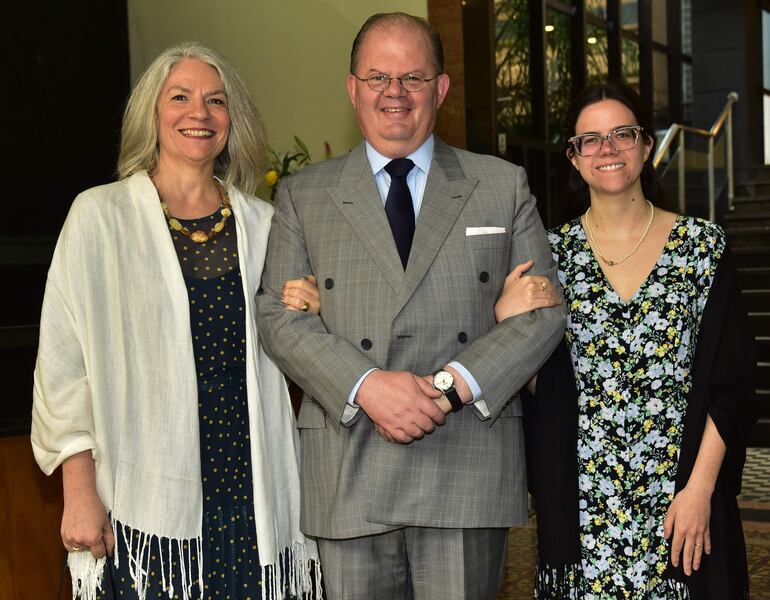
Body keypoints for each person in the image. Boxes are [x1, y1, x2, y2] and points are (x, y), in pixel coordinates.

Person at [255, 12, 566, 600]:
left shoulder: (500, 185)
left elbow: (543, 313)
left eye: (413, 78)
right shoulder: (304, 195)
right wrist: (368, 385)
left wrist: (449, 387)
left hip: (465, 458)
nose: (394, 93)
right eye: (377, 77)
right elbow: (277, 317)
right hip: (351, 464)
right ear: (352, 89)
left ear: (441, 89)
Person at [31, 43, 321, 600]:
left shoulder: (267, 224)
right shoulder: (100, 216)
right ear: (152, 113)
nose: (200, 113)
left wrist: (312, 307)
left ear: (232, 121)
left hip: (249, 485)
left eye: (216, 100)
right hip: (144, 496)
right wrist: (78, 487)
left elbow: (299, 346)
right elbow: (63, 365)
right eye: (180, 97)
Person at [494, 82, 758, 598]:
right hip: (583, 510)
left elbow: (735, 387)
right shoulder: (550, 256)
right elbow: (534, 390)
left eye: (622, 134)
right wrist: (509, 328)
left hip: (680, 505)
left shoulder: (701, 248)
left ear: (646, 145)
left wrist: (700, 490)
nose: (607, 148)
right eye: (589, 139)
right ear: (573, 158)